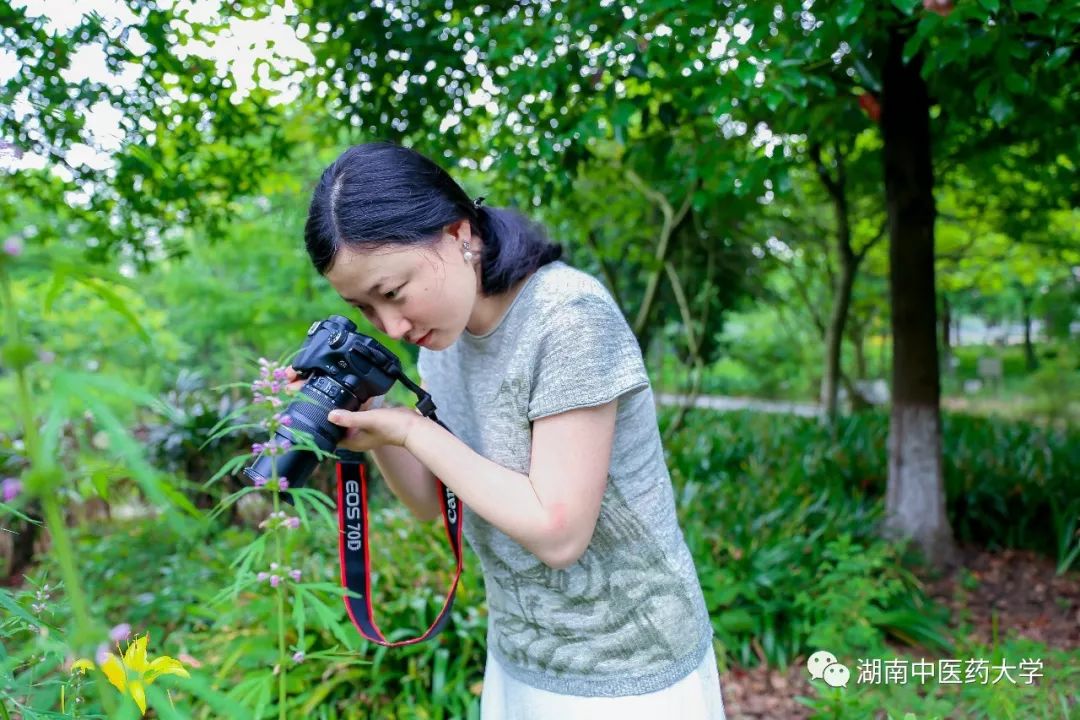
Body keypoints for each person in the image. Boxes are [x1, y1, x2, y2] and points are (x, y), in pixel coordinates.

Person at [293, 142, 725, 719]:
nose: (391, 325)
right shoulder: (442, 341)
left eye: (393, 292)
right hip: (523, 653)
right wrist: (368, 411)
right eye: (364, 307)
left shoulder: (567, 317)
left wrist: (412, 433)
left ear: (457, 233)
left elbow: (558, 533)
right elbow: (431, 502)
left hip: (630, 667)